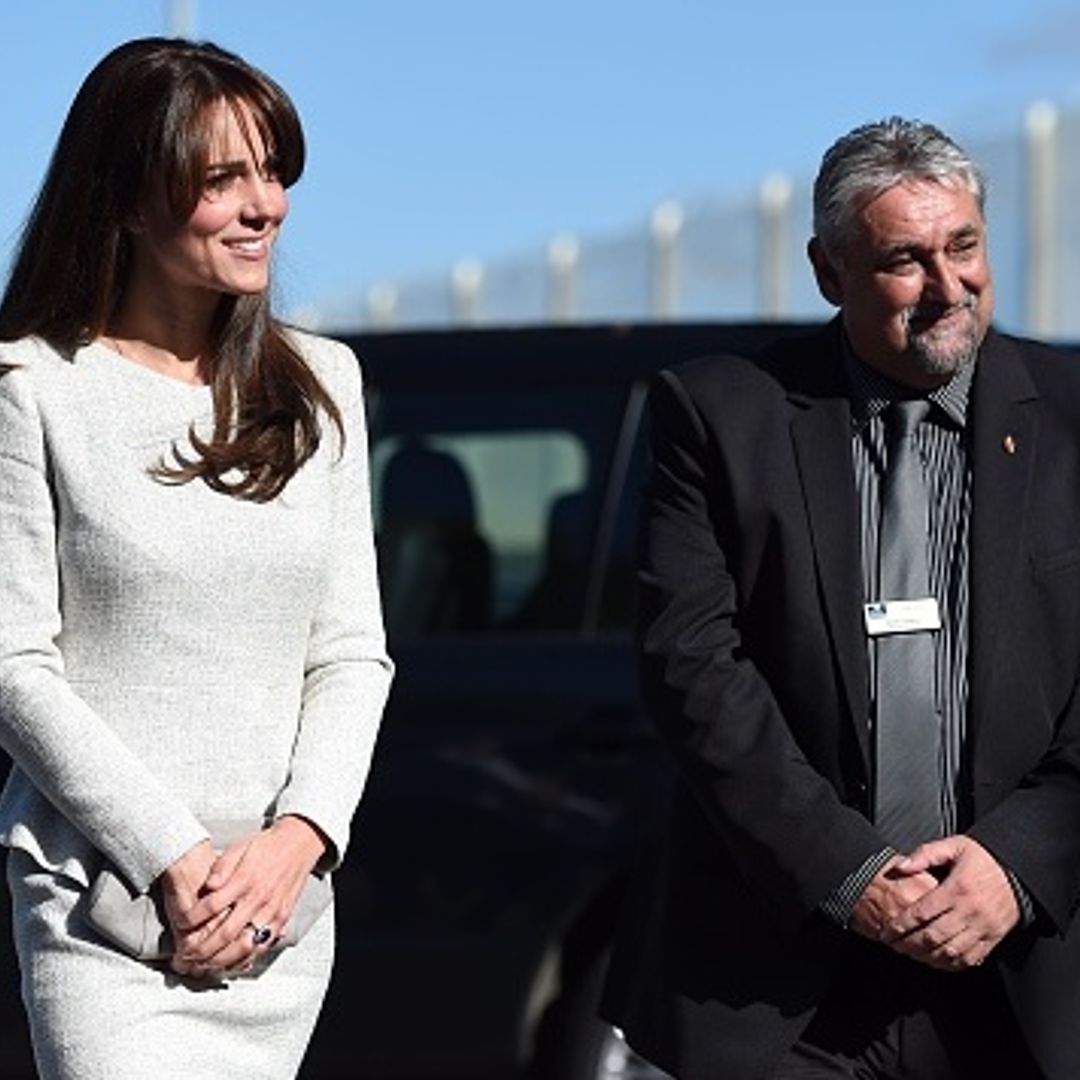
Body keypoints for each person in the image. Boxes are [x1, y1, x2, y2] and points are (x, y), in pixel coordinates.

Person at [601, 117, 1080, 1079]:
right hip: (782, 985)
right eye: (906, 259)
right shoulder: (718, 415)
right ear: (830, 272)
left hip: (1024, 971)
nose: (949, 288)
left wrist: (1017, 862)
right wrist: (849, 877)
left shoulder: (1073, 414)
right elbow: (693, 667)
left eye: (966, 247)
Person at [0, 37, 393, 1079]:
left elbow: (353, 652)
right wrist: (171, 854)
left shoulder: (324, 382)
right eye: (223, 178)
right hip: (104, 905)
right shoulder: (31, 386)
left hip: (279, 914)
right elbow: (11, 665)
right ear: (127, 200)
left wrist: (297, 842)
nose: (266, 204)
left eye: (273, 171)